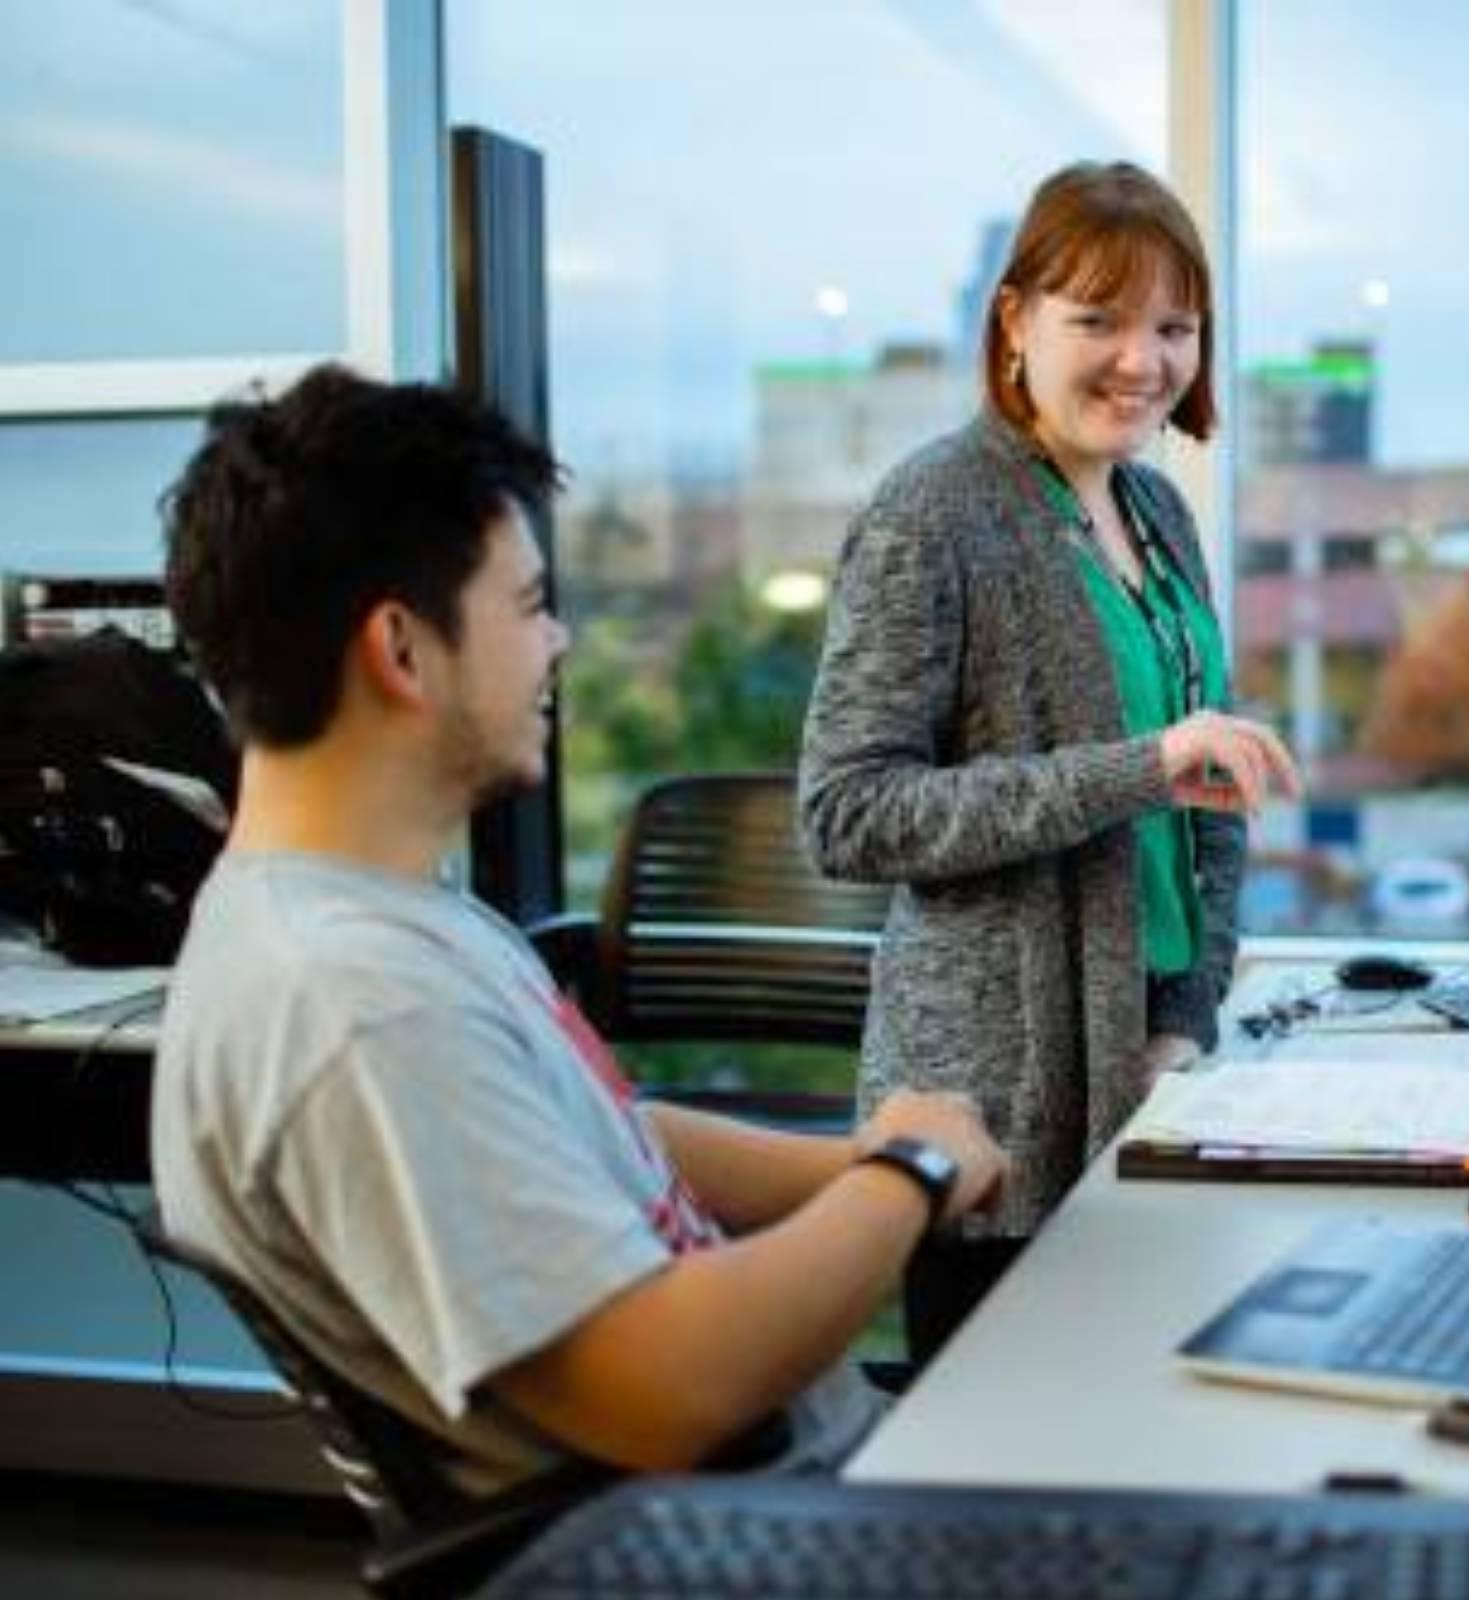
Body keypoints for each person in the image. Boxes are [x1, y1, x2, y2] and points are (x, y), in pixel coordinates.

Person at [149, 365, 1007, 1496]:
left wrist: (858, 1157)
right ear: (401, 651)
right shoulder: (356, 1002)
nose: (556, 643)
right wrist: (910, 1169)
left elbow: (608, 1128)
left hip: (786, 1481)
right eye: (525, 606)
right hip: (737, 1539)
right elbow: (673, 1386)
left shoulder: (383, 916)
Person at [798, 161, 1300, 1359]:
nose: (1142, 359)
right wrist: (1133, 766)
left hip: (1149, 1063)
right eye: (1098, 320)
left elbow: (1206, 801)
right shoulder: (932, 513)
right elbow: (848, 812)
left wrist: (1183, 1015)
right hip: (994, 1102)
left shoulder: (1157, 511)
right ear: (1013, 322)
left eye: (1173, 327)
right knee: (999, 1490)